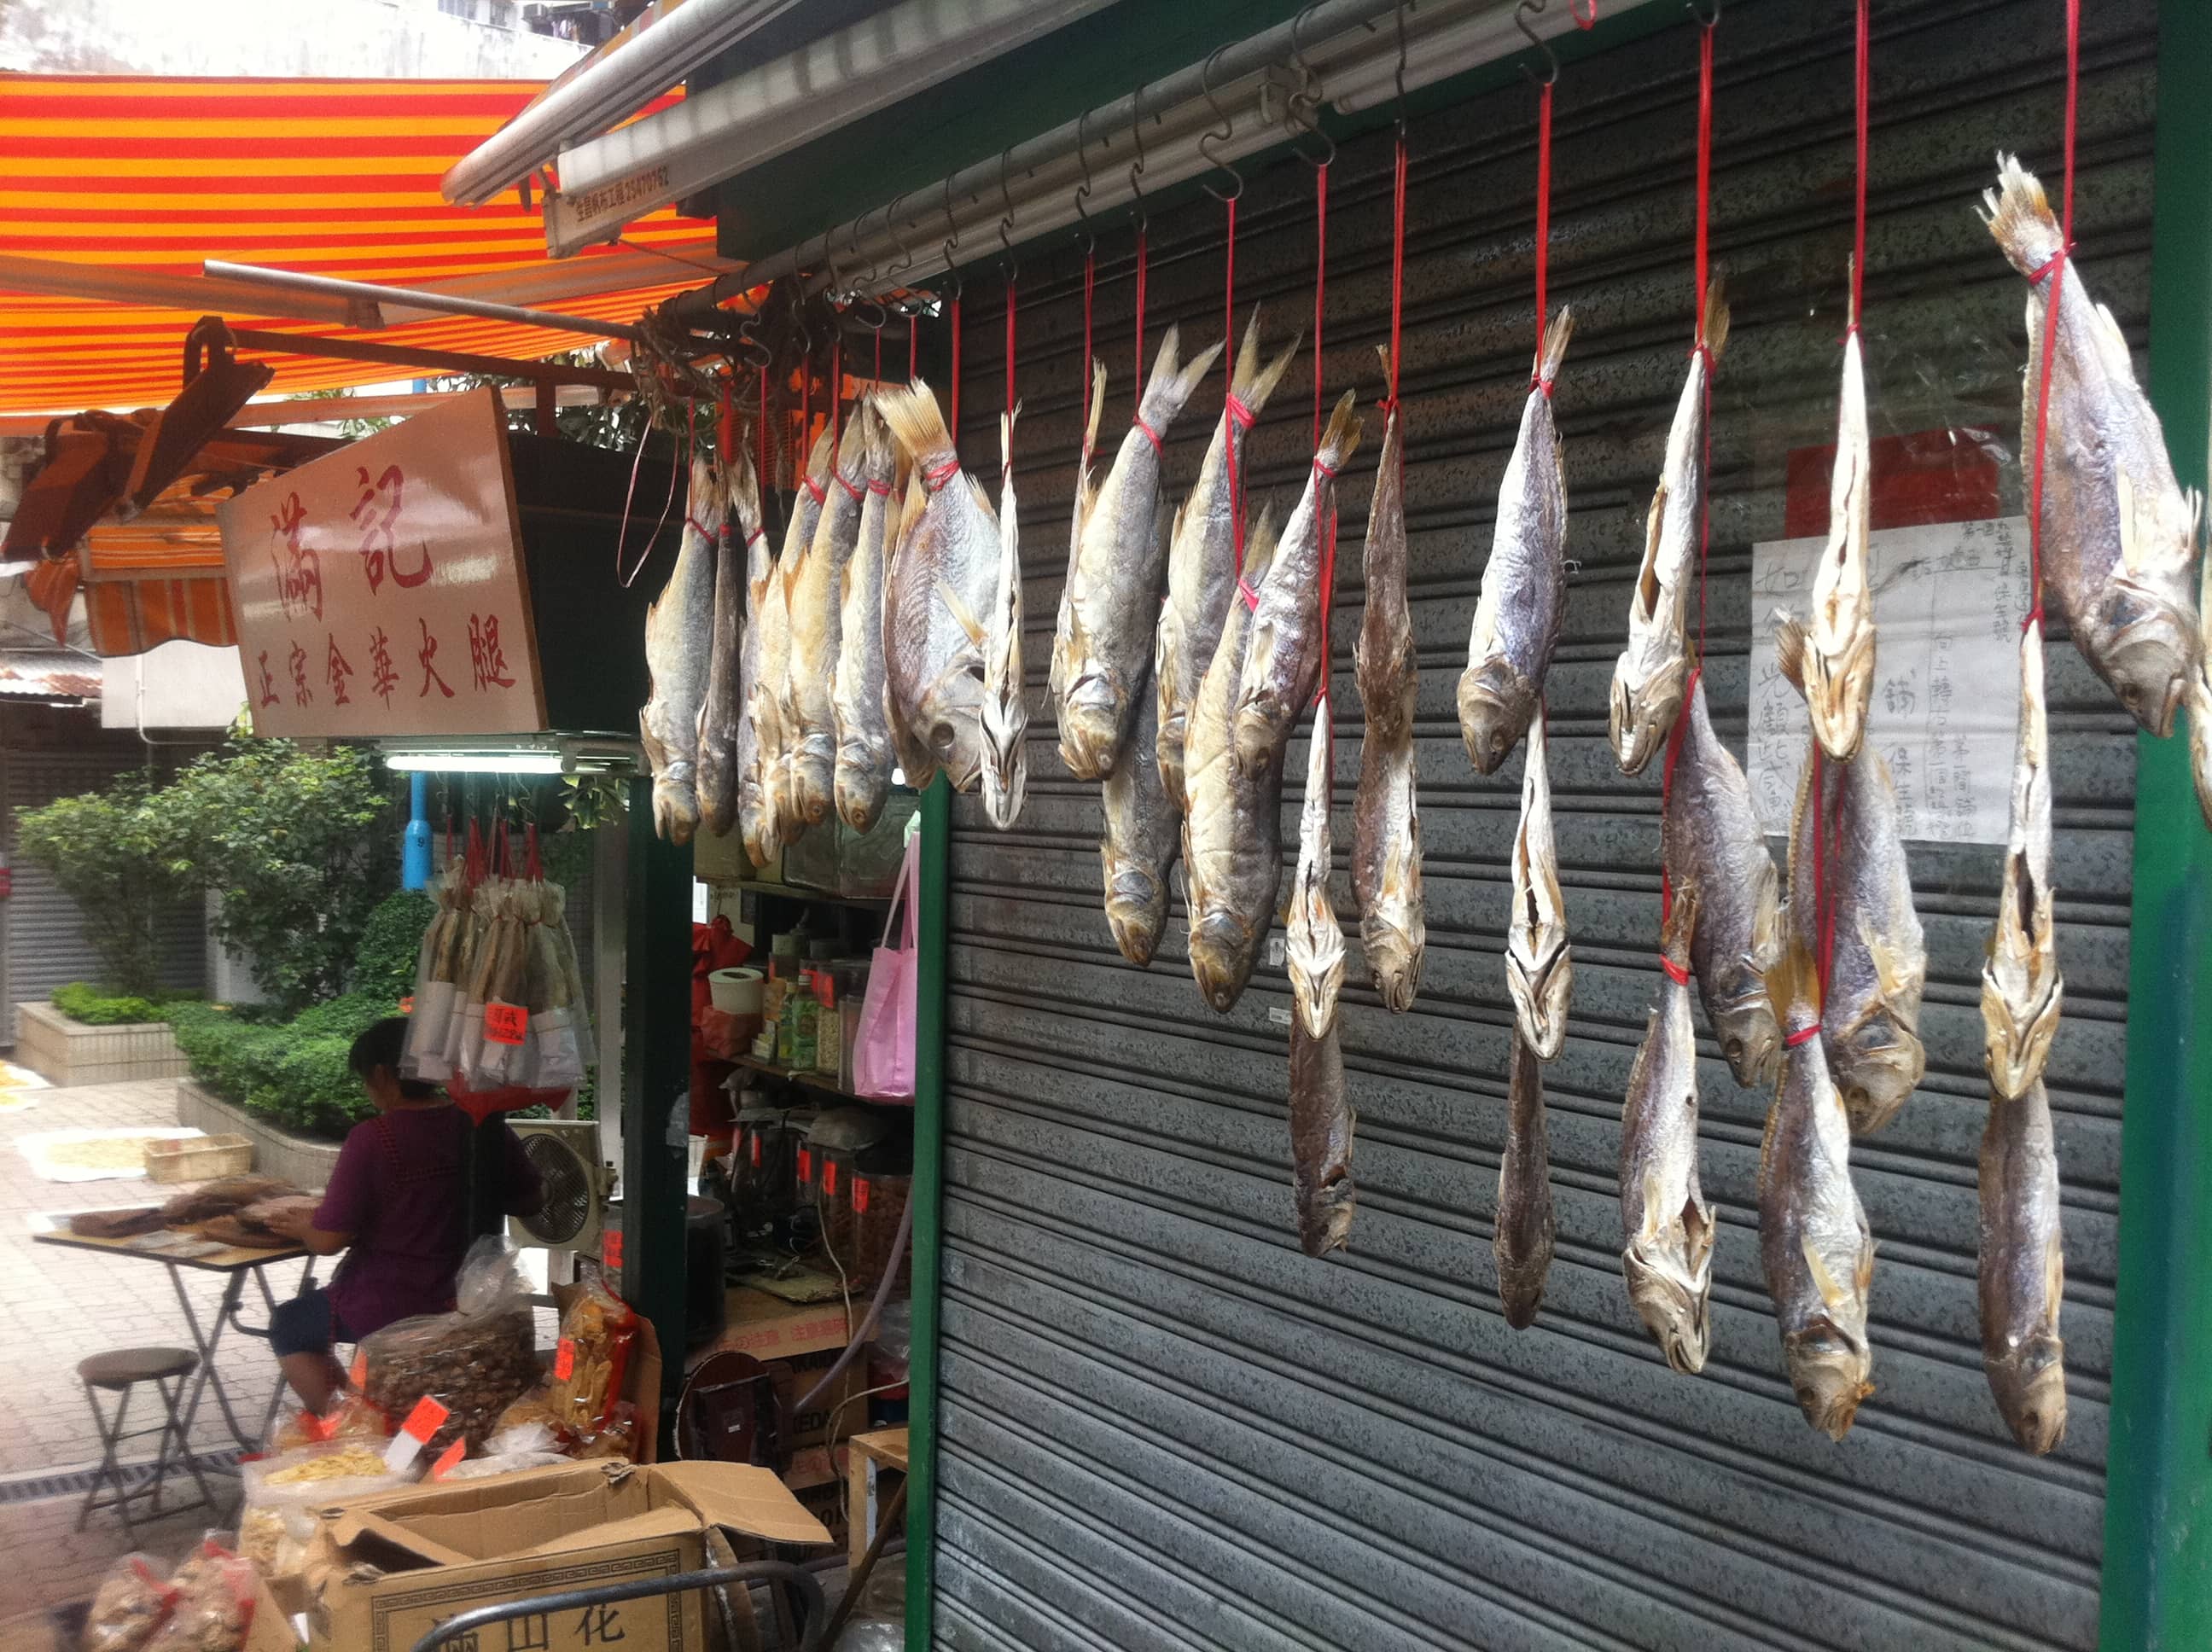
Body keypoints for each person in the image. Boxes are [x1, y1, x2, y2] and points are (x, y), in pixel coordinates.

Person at [265, 1016, 542, 1412]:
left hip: (392, 1304)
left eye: (365, 1079)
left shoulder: (374, 1138)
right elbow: (532, 1202)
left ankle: (351, 1425)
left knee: (290, 1324)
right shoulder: (480, 1125)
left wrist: (303, 1228)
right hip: (473, 1299)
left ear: (381, 1074)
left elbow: (328, 1241)